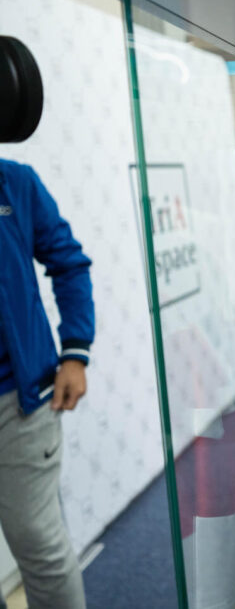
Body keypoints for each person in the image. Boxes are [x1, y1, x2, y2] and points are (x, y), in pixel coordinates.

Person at [0, 158, 93, 608]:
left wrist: (75, 351)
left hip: (19, 402)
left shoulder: (15, 182)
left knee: (41, 546)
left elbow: (68, 262)